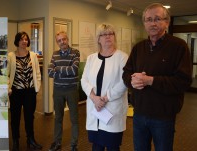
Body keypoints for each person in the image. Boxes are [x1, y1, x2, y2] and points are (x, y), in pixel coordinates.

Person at [122, 3, 192, 151]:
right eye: (148, 19)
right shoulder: (138, 48)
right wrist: (132, 81)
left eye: (157, 19)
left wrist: (151, 80)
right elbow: (126, 73)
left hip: (163, 116)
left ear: (167, 22)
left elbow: (183, 81)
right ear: (144, 23)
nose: (152, 23)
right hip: (139, 113)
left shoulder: (179, 46)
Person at [81, 23, 128, 151]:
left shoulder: (122, 57)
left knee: (113, 146)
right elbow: (84, 80)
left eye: (111, 34)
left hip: (112, 110)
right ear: (98, 39)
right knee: (96, 146)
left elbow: (124, 82)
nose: (108, 37)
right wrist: (94, 98)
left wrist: (105, 99)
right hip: (95, 110)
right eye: (104, 34)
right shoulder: (91, 58)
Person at [7, 31, 42, 151]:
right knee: (15, 118)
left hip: (30, 92)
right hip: (16, 92)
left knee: (29, 117)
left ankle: (31, 139)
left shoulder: (32, 55)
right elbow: (6, 75)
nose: (24, 41)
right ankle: (15, 141)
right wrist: (8, 88)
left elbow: (37, 72)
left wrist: (37, 88)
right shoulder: (11, 56)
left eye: (26, 39)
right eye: (22, 39)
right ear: (17, 41)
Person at [48, 31, 80, 151]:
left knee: (74, 119)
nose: (62, 42)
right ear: (57, 42)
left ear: (67, 39)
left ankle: (74, 144)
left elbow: (74, 70)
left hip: (72, 90)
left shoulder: (75, 52)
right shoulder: (54, 54)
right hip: (58, 91)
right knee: (58, 118)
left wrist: (58, 68)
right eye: (59, 40)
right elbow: (50, 73)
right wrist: (63, 70)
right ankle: (57, 142)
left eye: (64, 39)